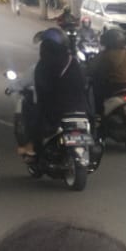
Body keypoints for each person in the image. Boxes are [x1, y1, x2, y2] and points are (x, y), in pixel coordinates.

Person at [21, 27, 91, 156]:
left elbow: (42, 90)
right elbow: (84, 84)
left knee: (34, 116)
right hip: (80, 108)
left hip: (56, 111)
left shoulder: (43, 66)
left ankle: (32, 148)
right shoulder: (73, 62)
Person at [92, 27, 126, 117]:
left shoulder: (104, 55)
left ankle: (99, 115)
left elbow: (92, 70)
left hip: (116, 87)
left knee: (96, 88)